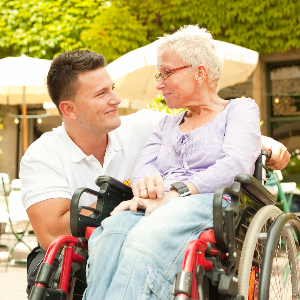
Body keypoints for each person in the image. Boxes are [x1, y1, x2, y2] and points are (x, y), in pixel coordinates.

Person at [20, 48, 289, 295]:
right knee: (54, 263)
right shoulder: (42, 156)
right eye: (101, 94)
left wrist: (263, 142)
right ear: (69, 109)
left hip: (154, 224)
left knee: (145, 235)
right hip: (90, 243)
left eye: (112, 88)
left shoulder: (144, 124)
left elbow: (204, 128)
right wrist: (119, 200)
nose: (116, 98)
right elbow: (51, 233)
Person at [81, 25, 280, 300]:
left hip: (214, 204)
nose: (159, 83)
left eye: (166, 73)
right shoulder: (166, 124)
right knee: (110, 234)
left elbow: (235, 165)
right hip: (160, 204)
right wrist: (145, 185)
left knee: (148, 237)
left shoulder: (239, 109)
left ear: (200, 72)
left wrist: (176, 194)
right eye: (158, 74)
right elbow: (144, 166)